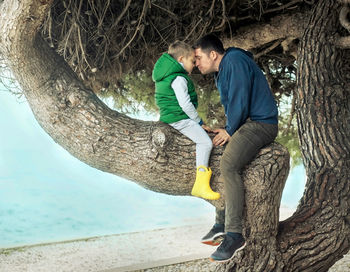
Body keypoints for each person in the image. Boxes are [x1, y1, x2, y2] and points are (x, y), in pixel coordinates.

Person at [194, 34, 278, 262]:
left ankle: (234, 234)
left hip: (261, 123)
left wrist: (230, 130)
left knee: (229, 165)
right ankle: (220, 222)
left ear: (213, 54)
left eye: (199, 57)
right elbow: (234, 105)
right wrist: (225, 128)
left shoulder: (233, 60)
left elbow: (240, 97)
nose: (196, 63)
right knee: (217, 155)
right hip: (247, 123)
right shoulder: (222, 72)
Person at [152, 41, 220, 200]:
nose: (195, 65)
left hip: (169, 118)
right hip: (179, 119)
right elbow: (185, 104)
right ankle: (200, 185)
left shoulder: (165, 76)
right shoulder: (178, 78)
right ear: (181, 59)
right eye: (192, 61)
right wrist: (199, 122)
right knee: (205, 142)